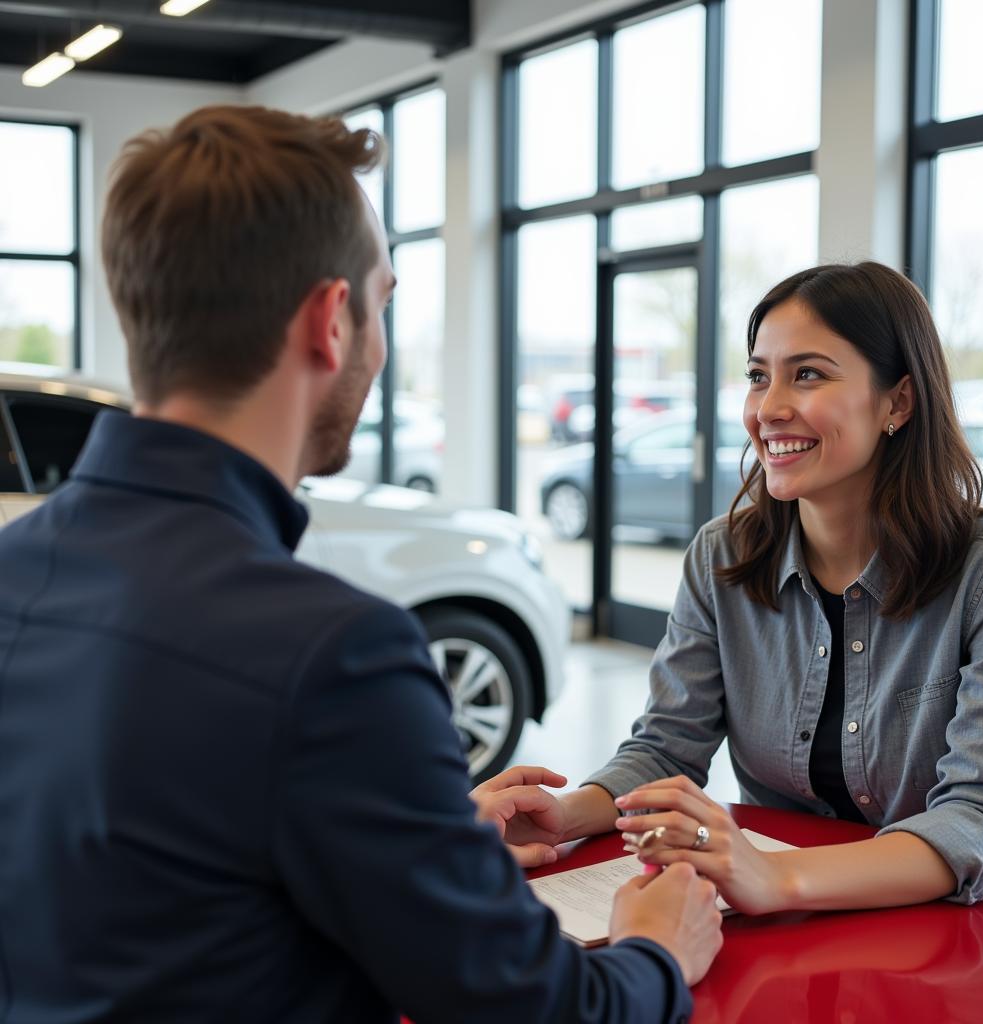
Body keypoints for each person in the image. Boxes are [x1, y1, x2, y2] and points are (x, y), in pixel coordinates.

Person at [0, 105, 722, 1021]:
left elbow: (138, 881)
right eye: (384, 301)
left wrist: (410, 848)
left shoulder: (16, 566)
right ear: (330, 321)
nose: (381, 344)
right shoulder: (329, 653)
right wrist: (656, 950)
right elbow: (536, 1010)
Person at [488, 261, 983, 914]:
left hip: (935, 939)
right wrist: (563, 816)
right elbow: (666, 747)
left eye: (808, 374)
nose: (768, 410)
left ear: (898, 402)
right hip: (777, 931)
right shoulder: (723, 556)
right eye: (758, 376)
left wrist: (777, 881)